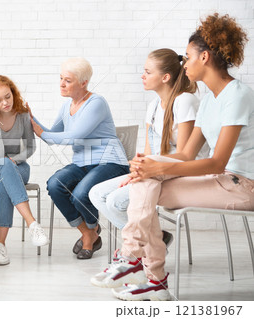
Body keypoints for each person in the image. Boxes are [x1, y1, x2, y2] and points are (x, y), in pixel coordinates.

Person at [95, 13, 254, 301]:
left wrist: (156, 167)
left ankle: (136, 260)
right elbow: (185, 153)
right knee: (146, 182)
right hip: (219, 179)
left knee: (148, 183)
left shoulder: (237, 95)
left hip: (241, 184)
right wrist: (148, 167)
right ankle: (149, 274)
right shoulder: (209, 100)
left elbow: (218, 161)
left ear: (204, 57)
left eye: (188, 56)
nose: (184, 63)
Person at [88, 48, 208, 251]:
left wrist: (143, 172)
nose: (142, 76)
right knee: (97, 194)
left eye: (148, 72)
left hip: (180, 173)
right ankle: (156, 239)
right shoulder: (153, 106)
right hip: (155, 170)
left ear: (165, 77)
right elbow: (146, 151)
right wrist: (136, 171)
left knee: (116, 201)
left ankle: (141, 248)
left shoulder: (185, 101)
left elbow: (185, 157)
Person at [30, 57, 130, 259]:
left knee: (80, 194)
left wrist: (41, 132)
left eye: (67, 80)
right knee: (55, 184)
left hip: (110, 162)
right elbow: (51, 136)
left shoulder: (96, 103)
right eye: (60, 78)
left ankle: (90, 235)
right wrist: (30, 118)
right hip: (82, 164)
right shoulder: (66, 107)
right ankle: (89, 232)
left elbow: (74, 136)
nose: (61, 84)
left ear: (83, 82)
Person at [0, 75, 49, 266]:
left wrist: (14, 160)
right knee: (4, 165)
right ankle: (32, 223)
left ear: (13, 92)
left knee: (4, 182)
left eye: (7, 96)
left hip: (15, 165)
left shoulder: (23, 115)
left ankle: (0, 246)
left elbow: (30, 147)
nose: (5, 103)